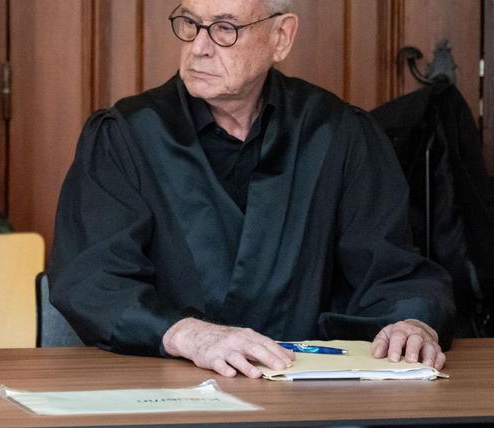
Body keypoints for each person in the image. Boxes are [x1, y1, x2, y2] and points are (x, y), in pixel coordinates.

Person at [49, 0, 454, 378]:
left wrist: (412, 321)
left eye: (224, 28)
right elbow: (90, 279)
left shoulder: (337, 133)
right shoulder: (126, 135)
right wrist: (189, 335)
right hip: (169, 384)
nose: (199, 48)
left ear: (281, 37)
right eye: (190, 24)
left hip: (307, 388)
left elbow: (392, 268)